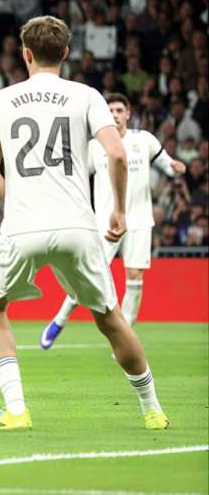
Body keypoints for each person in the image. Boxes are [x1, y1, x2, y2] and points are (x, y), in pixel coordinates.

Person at [0, 16, 167, 430]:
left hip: (23, 226)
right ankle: (152, 409)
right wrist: (118, 211)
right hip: (79, 226)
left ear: (25, 53)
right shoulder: (87, 96)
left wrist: (22, 198)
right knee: (110, 318)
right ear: (65, 53)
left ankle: (17, 410)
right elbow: (116, 154)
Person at [41, 93, 186, 347]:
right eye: (111, 111)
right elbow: (76, 173)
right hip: (105, 223)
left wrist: (175, 165)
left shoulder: (145, 140)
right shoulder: (96, 146)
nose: (116, 114)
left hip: (139, 220)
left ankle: (125, 337)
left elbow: (165, 161)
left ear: (128, 114)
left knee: (135, 276)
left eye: (120, 110)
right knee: (87, 274)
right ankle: (59, 320)